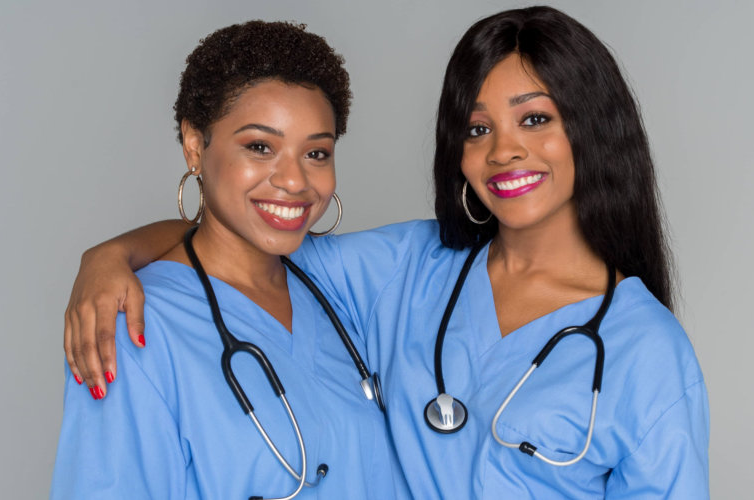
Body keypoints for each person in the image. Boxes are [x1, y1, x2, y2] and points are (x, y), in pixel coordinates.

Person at [67, 7, 708, 498]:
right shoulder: (404, 270)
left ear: (590, 127)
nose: (504, 151)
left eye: (535, 119)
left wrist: (111, 254)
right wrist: (111, 257)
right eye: (478, 128)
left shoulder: (646, 351)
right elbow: (240, 242)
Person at [51, 20, 407, 500]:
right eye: (260, 147)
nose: (295, 181)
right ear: (195, 145)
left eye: (316, 153)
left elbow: (502, 246)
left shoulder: (341, 288)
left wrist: (111, 251)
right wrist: (107, 258)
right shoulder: (135, 324)